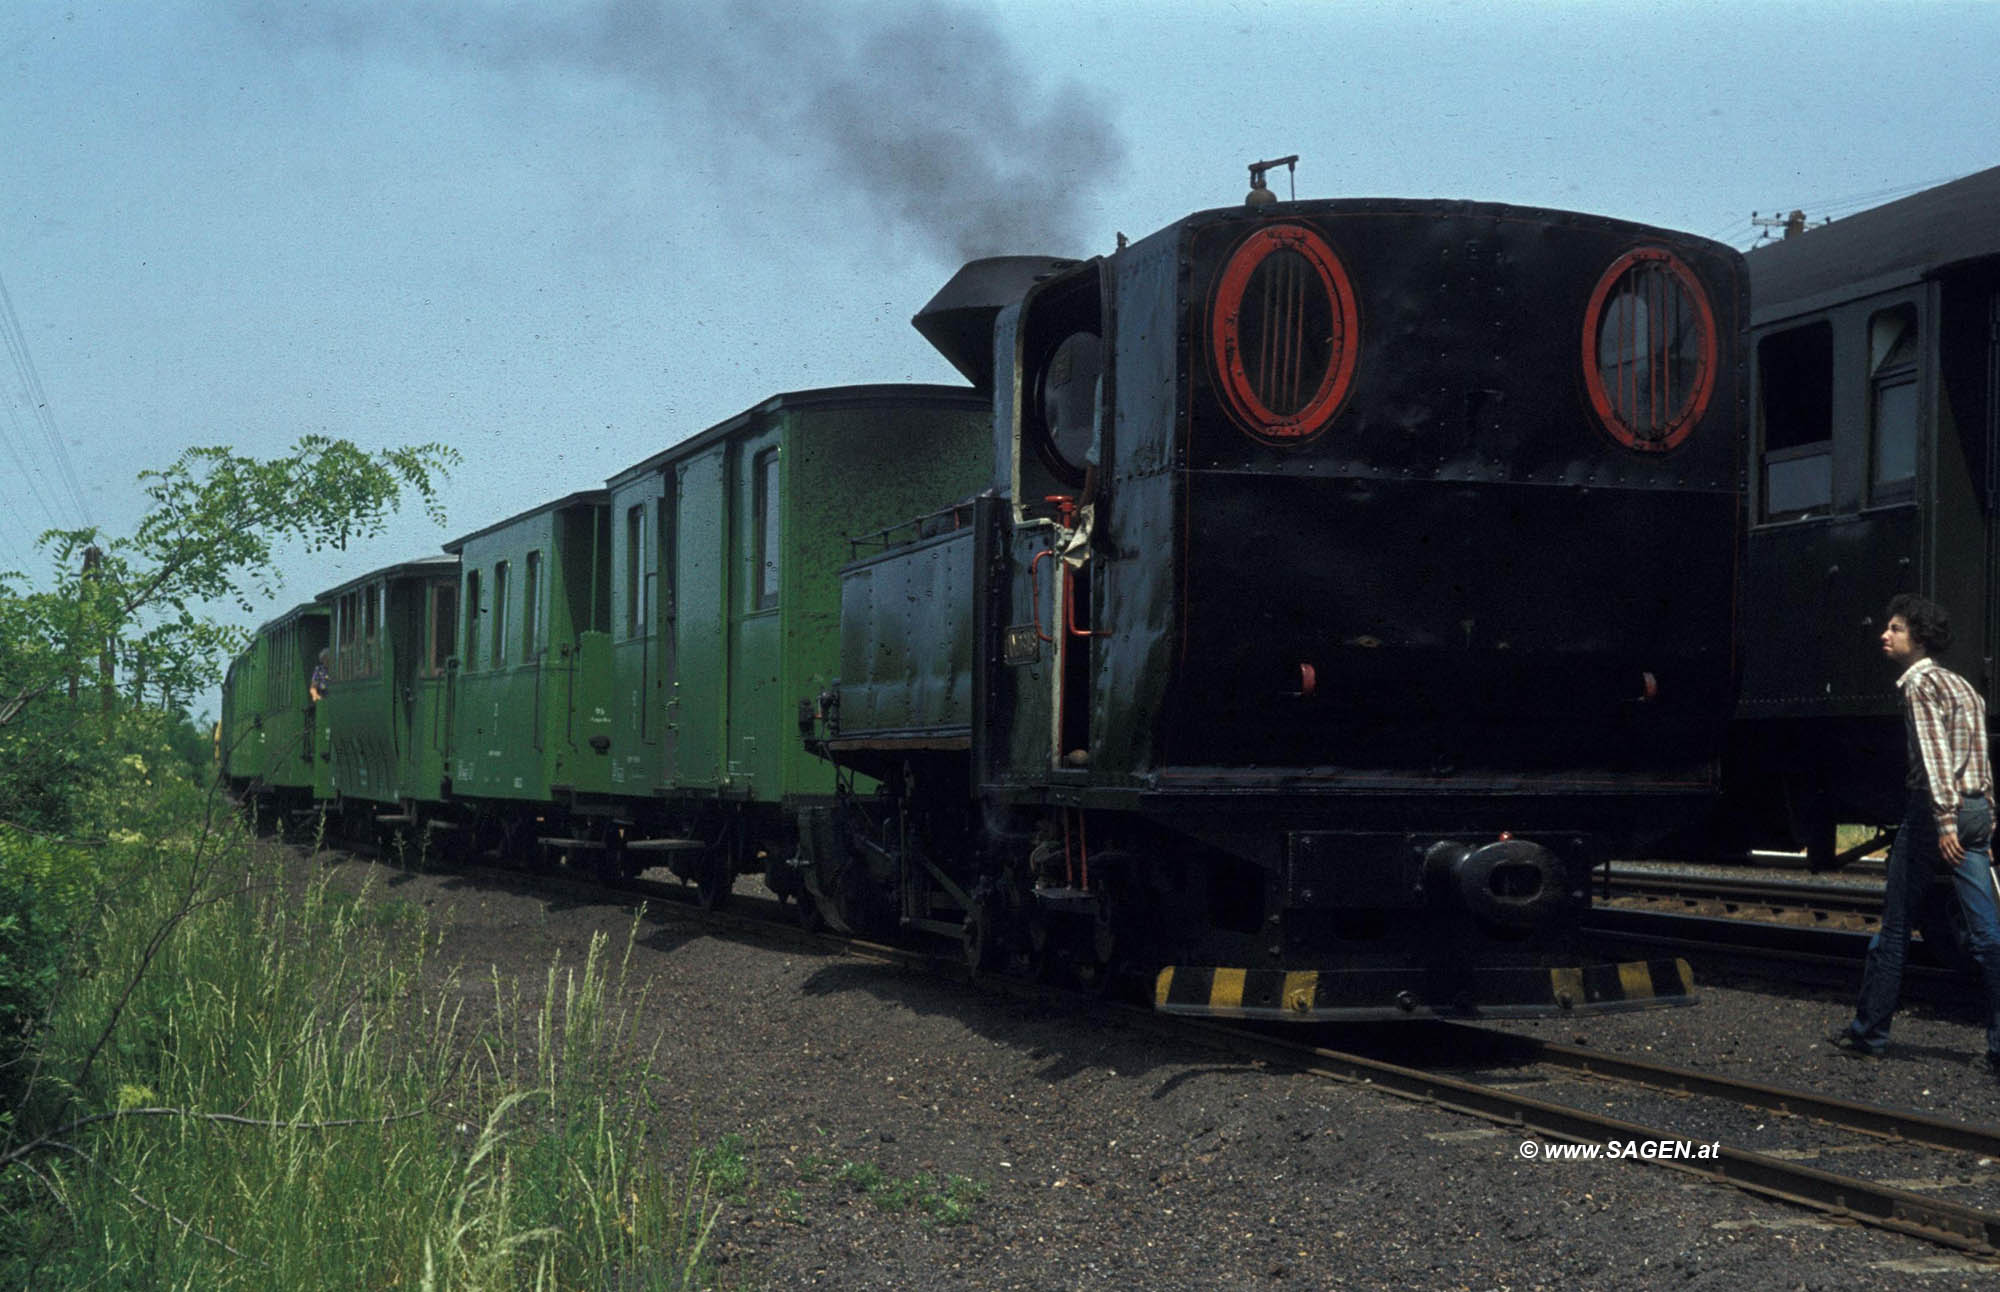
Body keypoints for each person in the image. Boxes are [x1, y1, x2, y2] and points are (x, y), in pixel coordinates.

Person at [1828, 594, 2000, 1076]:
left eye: (1896, 628)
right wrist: (1984, 809)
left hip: (1936, 814)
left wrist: (1944, 820)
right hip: (1977, 809)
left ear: (1918, 638)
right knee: (1989, 933)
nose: (1885, 634)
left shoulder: (1919, 685)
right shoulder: (1963, 686)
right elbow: (1979, 756)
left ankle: (1869, 1034)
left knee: (1897, 925)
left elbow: (1935, 758)